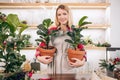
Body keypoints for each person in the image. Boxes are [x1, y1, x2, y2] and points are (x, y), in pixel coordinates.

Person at [35, 4, 86, 74]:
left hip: (68, 69)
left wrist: (82, 62)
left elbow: (83, 51)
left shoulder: (74, 32)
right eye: (59, 15)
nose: (62, 17)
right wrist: (39, 58)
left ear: (69, 15)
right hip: (53, 68)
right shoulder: (51, 31)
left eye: (64, 14)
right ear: (57, 17)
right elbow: (39, 48)